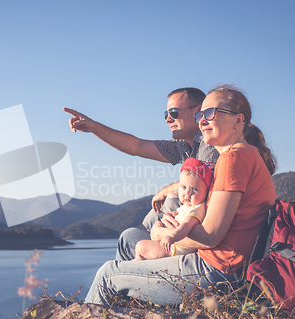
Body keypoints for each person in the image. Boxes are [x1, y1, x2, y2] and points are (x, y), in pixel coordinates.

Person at [84, 84, 277, 306]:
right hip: (216, 261)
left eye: (209, 113)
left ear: (237, 120)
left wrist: (161, 233)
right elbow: (137, 146)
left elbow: (211, 236)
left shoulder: (233, 157)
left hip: (217, 270)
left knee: (108, 275)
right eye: (200, 115)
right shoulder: (236, 155)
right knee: (130, 239)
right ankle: (131, 306)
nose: (202, 120)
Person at [64, 87, 219, 261]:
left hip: (192, 240)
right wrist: (94, 127)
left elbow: (212, 179)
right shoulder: (182, 146)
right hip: (176, 233)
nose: (168, 119)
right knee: (132, 234)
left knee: (134, 232)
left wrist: (165, 191)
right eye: (166, 114)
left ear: (198, 111)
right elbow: (136, 146)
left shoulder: (209, 143)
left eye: (174, 113)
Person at [134, 158, 213, 260]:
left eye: (195, 189)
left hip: (175, 249)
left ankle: (136, 263)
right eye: (184, 187)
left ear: (206, 192)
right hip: (172, 245)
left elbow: (185, 227)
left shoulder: (195, 210)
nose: (187, 193)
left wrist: (172, 237)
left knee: (140, 247)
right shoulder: (188, 207)